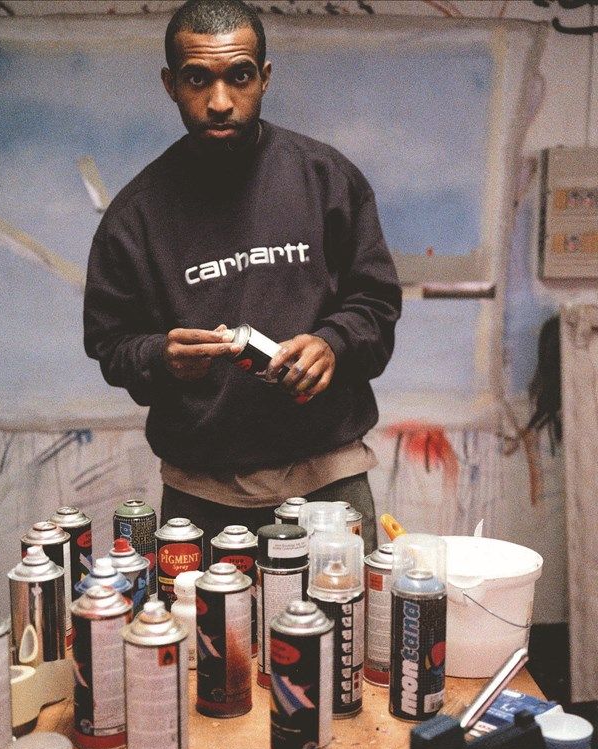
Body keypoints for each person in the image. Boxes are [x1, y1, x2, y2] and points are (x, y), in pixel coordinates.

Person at [84, 0, 401, 557]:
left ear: (265, 77)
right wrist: (161, 356)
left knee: (348, 641)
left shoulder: (326, 179)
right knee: (207, 645)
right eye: (197, 79)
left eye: (240, 76)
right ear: (170, 84)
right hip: (199, 495)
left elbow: (375, 301)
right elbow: (110, 344)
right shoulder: (135, 216)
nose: (220, 101)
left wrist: (333, 343)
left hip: (329, 480)